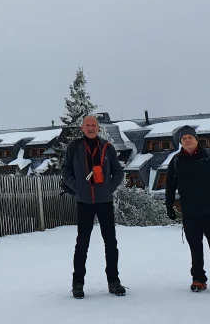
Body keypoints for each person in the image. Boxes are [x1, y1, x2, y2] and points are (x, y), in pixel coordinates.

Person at [61, 114, 127, 298]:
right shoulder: (74, 147)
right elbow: (65, 170)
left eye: (93, 125)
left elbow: (118, 172)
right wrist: (77, 187)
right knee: (82, 244)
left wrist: (108, 189)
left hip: (105, 202)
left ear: (98, 128)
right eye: (87, 125)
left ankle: (114, 282)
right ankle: (78, 284)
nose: (90, 128)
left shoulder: (107, 147)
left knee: (111, 243)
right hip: (84, 203)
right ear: (82, 128)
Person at [165, 125, 210, 294]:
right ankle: (198, 279)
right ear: (181, 142)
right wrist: (169, 205)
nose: (187, 140)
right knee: (195, 249)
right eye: (184, 138)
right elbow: (170, 185)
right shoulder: (176, 161)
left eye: (190, 137)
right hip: (190, 213)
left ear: (196, 139)